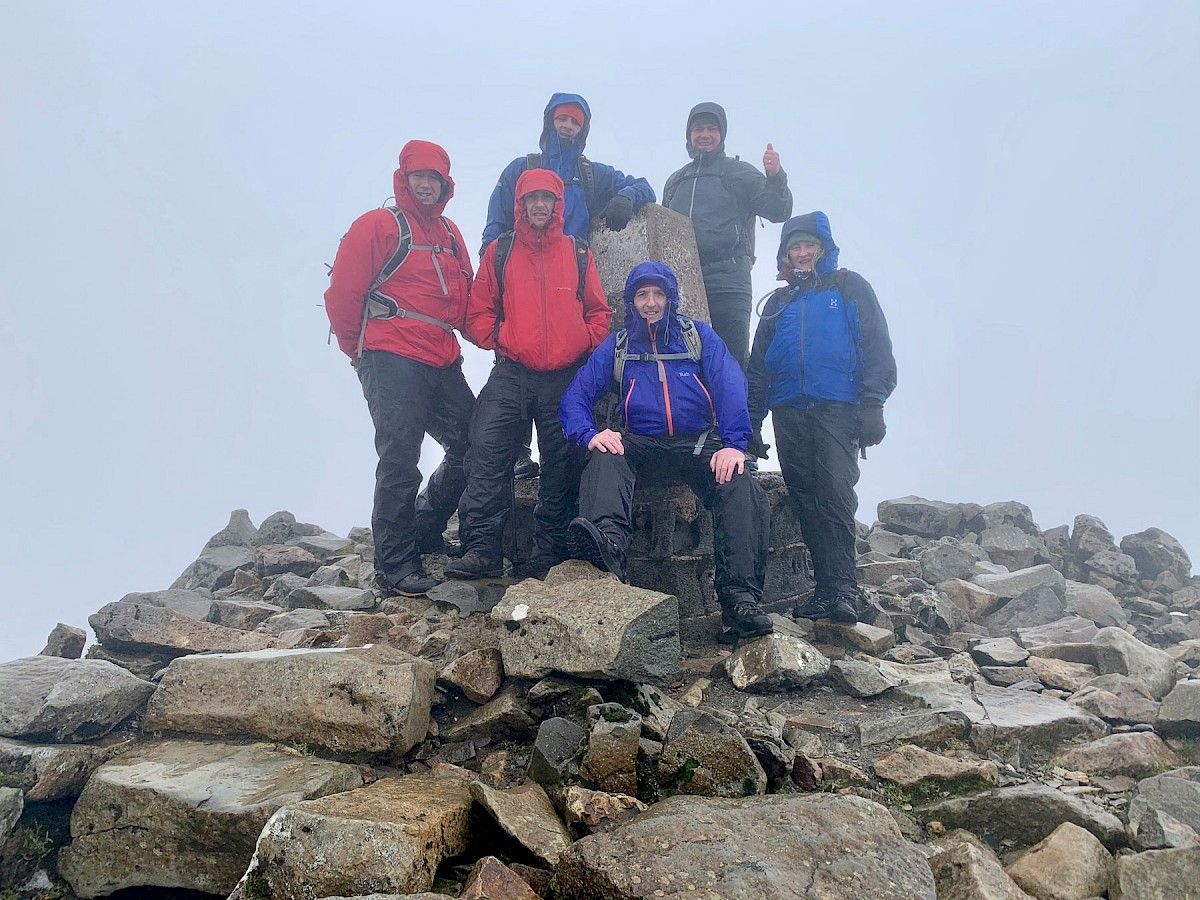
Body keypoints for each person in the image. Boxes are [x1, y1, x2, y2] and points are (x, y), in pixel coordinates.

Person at [559, 261, 775, 639]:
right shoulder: (620, 344)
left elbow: (730, 386)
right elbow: (575, 397)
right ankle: (608, 550)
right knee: (606, 456)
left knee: (741, 487)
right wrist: (590, 434)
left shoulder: (697, 336)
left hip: (697, 443)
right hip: (643, 441)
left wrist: (735, 445)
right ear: (632, 301)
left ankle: (740, 600)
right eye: (642, 295)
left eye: (658, 294)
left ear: (670, 299)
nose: (651, 303)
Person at [324, 140, 476, 595]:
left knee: (476, 443)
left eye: (436, 179)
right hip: (390, 356)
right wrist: (361, 353)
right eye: (419, 177)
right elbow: (343, 296)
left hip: (442, 357)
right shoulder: (379, 225)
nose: (426, 185)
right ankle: (394, 566)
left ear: (447, 185)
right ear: (404, 179)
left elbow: (467, 303)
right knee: (400, 457)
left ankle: (425, 526)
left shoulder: (450, 234)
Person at [447, 168, 612, 581]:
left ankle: (549, 555)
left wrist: (582, 342)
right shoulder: (500, 252)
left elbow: (599, 313)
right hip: (512, 371)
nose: (539, 206)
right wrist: (503, 337)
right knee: (486, 449)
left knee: (563, 461)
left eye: (548, 199)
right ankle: (483, 548)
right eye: (530, 199)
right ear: (518, 205)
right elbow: (477, 313)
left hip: (565, 376)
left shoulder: (578, 253)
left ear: (559, 205)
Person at [482, 92, 656, 480]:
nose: (567, 127)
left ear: (584, 129)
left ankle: (568, 461)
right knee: (513, 368)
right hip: (520, 280)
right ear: (549, 123)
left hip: (569, 281)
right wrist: (493, 270)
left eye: (575, 122)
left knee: (565, 384)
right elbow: (495, 222)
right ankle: (517, 455)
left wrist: (626, 196)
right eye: (562, 119)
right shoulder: (521, 168)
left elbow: (645, 185)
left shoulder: (591, 174)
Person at [747, 211, 897, 623]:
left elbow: (876, 345)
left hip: (837, 408)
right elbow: (759, 367)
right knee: (805, 496)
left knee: (834, 492)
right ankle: (823, 590)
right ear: (786, 255)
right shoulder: (778, 303)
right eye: (794, 247)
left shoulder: (848, 286)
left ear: (823, 249)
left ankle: (844, 589)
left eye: (809, 245)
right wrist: (751, 420)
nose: (802, 253)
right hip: (789, 409)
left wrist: (875, 402)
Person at [663, 102, 793, 369]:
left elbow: (779, 210)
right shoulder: (675, 180)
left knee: (730, 364)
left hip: (728, 281)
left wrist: (776, 177)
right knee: (683, 362)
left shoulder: (737, 172)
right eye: (699, 129)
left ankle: (734, 412)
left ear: (721, 135)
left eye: (712, 129)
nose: (705, 135)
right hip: (683, 280)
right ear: (689, 135)